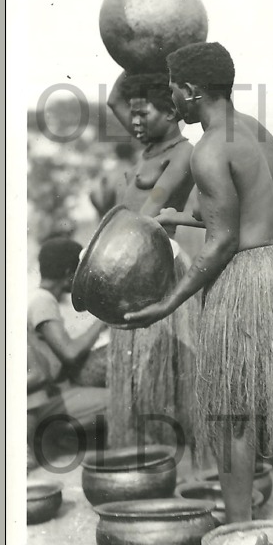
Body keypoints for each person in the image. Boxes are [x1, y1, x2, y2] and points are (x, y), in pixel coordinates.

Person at [122, 42, 273, 523]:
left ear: (193, 91)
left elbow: (222, 243)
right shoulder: (257, 132)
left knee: (232, 414)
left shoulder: (208, 149)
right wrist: (179, 217)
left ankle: (238, 529)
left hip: (246, 283)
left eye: (176, 90)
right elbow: (250, 218)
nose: (174, 100)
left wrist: (167, 304)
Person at [105, 71, 200, 449]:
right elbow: (115, 99)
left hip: (156, 267)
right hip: (122, 265)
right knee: (133, 375)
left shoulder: (183, 153)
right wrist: (137, 61)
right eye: (134, 116)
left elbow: (149, 211)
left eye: (143, 114)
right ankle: (143, 455)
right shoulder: (149, 145)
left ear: (171, 113)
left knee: (167, 375)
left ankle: (185, 460)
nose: (136, 122)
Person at [27, 238, 109, 465]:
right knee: (119, 400)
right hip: (49, 397)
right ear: (67, 273)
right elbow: (70, 353)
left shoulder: (40, 299)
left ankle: (63, 438)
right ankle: (56, 436)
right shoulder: (42, 301)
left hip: (52, 394)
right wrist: (102, 321)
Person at [89, 142, 137, 220]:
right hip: (129, 219)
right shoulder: (135, 173)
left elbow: (93, 195)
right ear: (132, 155)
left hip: (110, 220)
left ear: (116, 154)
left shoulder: (107, 174)